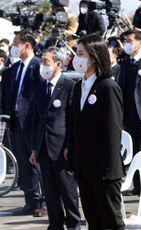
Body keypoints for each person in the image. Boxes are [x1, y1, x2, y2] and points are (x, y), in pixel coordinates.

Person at [67, 34, 125, 230]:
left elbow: (113, 130)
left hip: (104, 170)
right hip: (84, 167)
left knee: (112, 221)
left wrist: (108, 169)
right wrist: (73, 163)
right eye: (76, 52)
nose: (77, 57)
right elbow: (74, 127)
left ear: (94, 56)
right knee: (93, 220)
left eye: (81, 53)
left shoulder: (108, 86)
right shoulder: (78, 88)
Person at [29, 47, 80, 229]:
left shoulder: (70, 86)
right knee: (50, 192)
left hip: (62, 148)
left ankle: (74, 224)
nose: (42, 66)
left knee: (68, 191)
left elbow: (73, 121)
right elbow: (36, 121)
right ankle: (55, 224)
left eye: (46, 62)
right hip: (43, 148)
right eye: (41, 61)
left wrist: (70, 146)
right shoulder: (40, 88)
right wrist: (34, 148)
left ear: (58, 64)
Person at [2, 30, 45, 216]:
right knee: (24, 164)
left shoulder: (39, 67)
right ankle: (31, 201)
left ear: (27, 45)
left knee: (39, 164)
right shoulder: (13, 69)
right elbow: (7, 97)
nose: (13, 47)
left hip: (34, 123)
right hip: (16, 123)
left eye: (16, 43)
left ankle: (44, 203)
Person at [117, 29, 141, 195]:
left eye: (130, 40)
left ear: (140, 43)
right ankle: (138, 186)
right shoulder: (124, 64)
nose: (127, 44)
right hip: (129, 114)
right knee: (133, 152)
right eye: (126, 40)